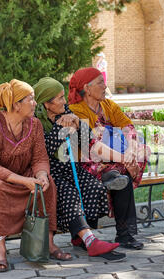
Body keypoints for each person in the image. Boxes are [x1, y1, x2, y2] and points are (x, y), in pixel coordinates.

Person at [0, 79, 66, 272]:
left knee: (48, 184)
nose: (35, 103)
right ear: (16, 104)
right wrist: (24, 181)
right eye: (31, 99)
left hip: (19, 173)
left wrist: (42, 175)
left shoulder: (34, 125)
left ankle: (48, 242)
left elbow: (40, 158)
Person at [34, 77, 126, 262]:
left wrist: (78, 123)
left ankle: (79, 237)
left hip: (70, 167)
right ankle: (91, 241)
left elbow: (86, 143)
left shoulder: (66, 112)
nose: (64, 102)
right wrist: (60, 128)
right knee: (69, 193)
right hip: (49, 172)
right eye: (59, 98)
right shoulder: (36, 122)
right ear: (47, 104)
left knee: (94, 187)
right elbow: (44, 151)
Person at [69, 67, 150, 250]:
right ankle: (124, 234)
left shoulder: (109, 106)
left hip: (117, 158)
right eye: (100, 82)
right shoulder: (76, 111)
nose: (105, 86)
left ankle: (118, 173)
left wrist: (130, 151)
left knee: (140, 152)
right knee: (121, 177)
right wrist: (125, 159)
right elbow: (92, 146)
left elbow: (128, 127)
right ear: (87, 88)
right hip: (91, 160)